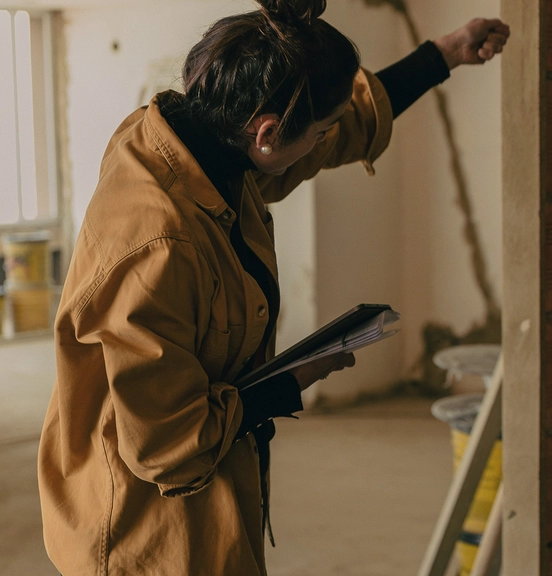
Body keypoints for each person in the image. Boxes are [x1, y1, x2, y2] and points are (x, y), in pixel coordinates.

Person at [36, 1, 510, 573]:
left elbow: (342, 125)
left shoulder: (200, 143)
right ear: (266, 133)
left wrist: (442, 56)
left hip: (206, 496)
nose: (324, 144)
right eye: (318, 133)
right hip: (144, 528)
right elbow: (170, 447)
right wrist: (290, 381)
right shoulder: (160, 244)